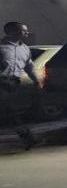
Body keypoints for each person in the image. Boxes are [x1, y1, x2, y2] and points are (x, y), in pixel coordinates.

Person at [0, 21, 42, 149]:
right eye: (24, 31)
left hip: (13, 84)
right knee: (11, 113)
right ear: (12, 32)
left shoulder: (24, 48)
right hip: (1, 83)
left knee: (11, 112)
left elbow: (29, 67)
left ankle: (29, 138)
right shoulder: (1, 48)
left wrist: (36, 81)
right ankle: (29, 139)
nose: (27, 33)